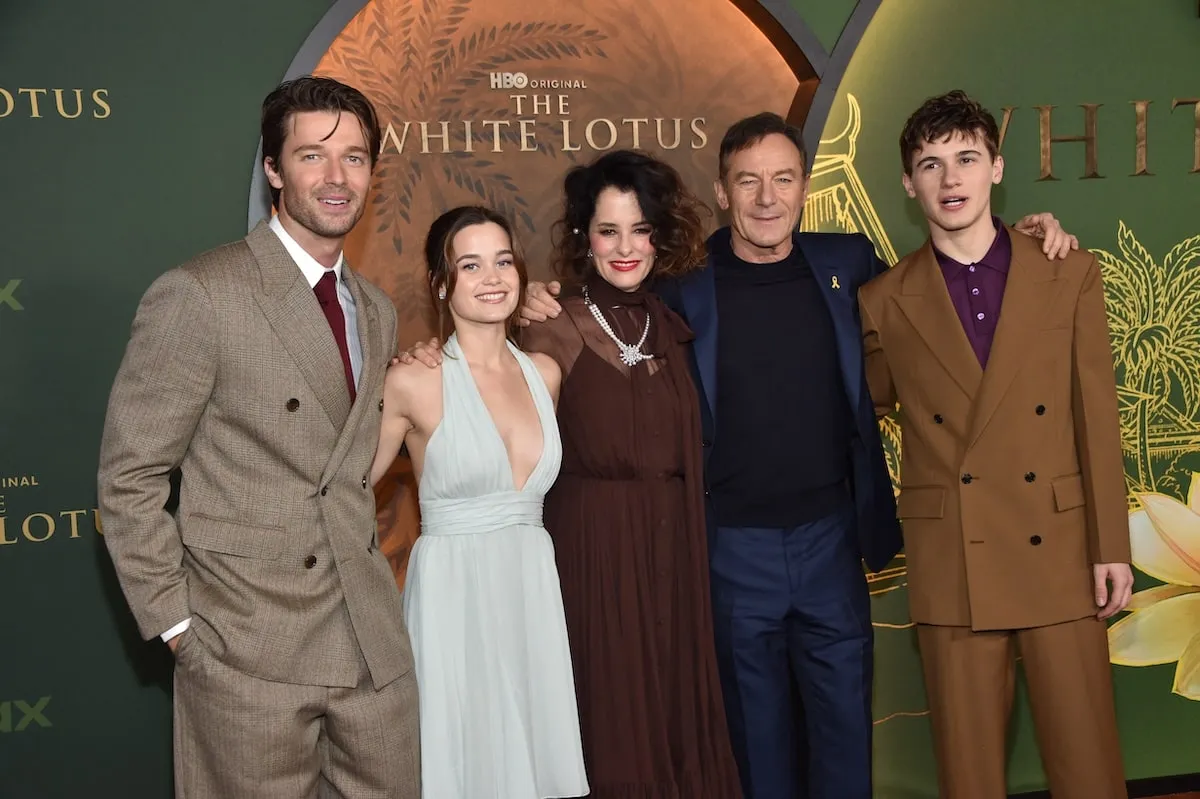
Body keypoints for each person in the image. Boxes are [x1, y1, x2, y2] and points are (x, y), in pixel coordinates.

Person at [517, 113, 1081, 799]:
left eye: (783, 179)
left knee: (845, 731)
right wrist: (534, 299)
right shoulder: (680, 285)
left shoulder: (849, 263)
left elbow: (945, 283)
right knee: (757, 745)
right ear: (721, 192)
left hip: (830, 543)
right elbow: (601, 306)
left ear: (805, 187)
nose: (766, 198)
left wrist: (1023, 239)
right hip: (729, 547)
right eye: (747, 181)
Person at [97, 76, 419, 797]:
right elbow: (129, 478)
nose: (337, 178)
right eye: (313, 156)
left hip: (371, 645)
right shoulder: (201, 293)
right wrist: (180, 628)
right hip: (246, 647)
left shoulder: (375, 307)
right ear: (273, 169)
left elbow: (351, 465)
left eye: (356, 158)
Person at [397, 151, 743, 797]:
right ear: (584, 237)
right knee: (603, 720)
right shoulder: (552, 329)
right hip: (595, 557)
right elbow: (498, 417)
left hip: (675, 552)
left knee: (673, 711)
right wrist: (432, 351)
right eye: (608, 230)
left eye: (640, 229)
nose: (625, 246)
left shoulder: (674, 323)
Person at [858, 90, 1131, 799]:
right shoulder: (882, 299)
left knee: (1089, 768)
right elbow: (860, 402)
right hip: (956, 561)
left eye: (966, 159)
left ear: (997, 168)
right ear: (909, 183)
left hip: (1062, 551)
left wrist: (1112, 546)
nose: (951, 179)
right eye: (931, 164)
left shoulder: (1068, 269)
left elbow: (1094, 418)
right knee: (969, 776)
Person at [371, 205, 588, 799]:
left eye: (502, 261)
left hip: (530, 586)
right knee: (459, 758)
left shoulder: (545, 373)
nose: (492, 278)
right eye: (471, 265)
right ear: (443, 285)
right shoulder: (412, 381)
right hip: (452, 595)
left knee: (532, 757)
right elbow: (344, 491)